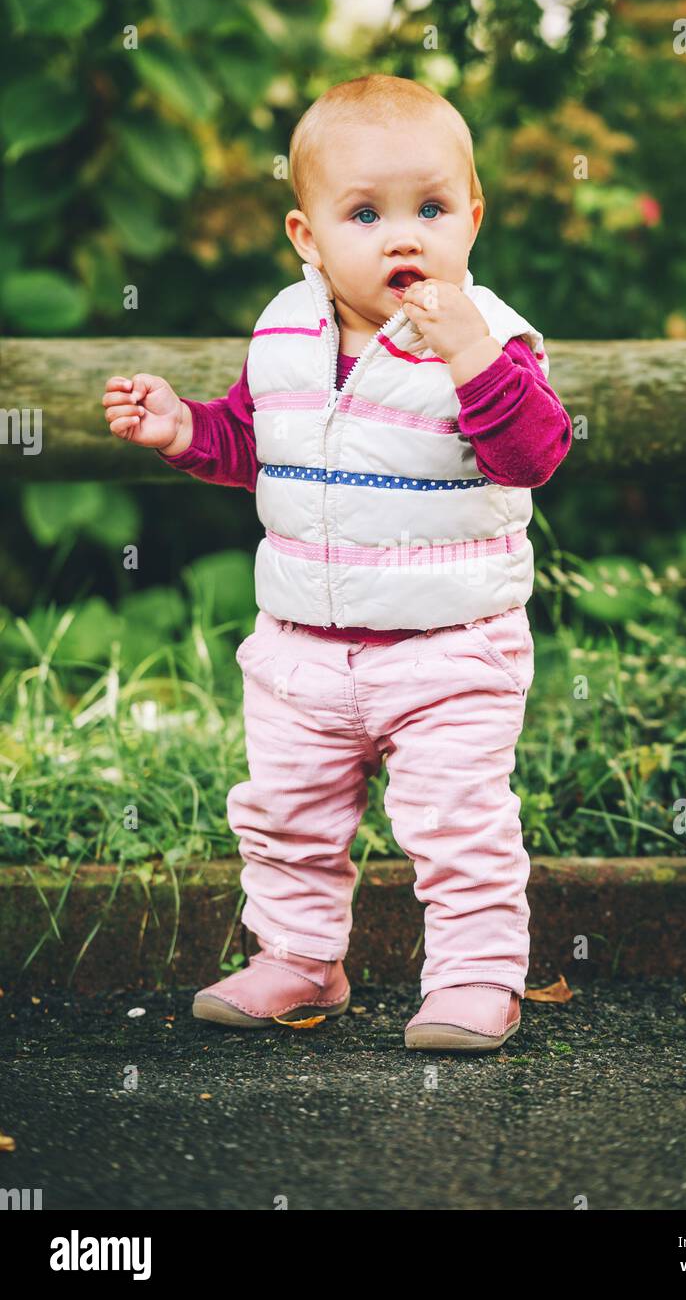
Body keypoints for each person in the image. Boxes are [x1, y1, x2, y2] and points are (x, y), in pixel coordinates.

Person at [102, 74, 573, 1052]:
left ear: (472, 219)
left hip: (449, 648)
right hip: (303, 648)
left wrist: (472, 357)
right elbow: (253, 440)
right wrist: (184, 427)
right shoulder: (284, 332)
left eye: (432, 209)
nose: (404, 236)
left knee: (456, 825)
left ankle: (477, 976)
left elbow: (532, 453)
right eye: (365, 214)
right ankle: (300, 957)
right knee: (283, 815)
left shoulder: (487, 337)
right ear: (308, 236)